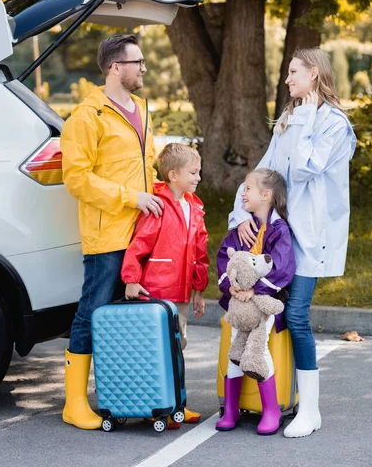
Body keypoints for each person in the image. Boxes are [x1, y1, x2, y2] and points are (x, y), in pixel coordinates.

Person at [229, 47, 356, 438]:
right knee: (268, 315)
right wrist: (241, 213)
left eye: (293, 72)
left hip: (311, 238)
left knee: (296, 316)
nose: (287, 80)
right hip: (278, 237)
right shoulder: (289, 118)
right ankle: (273, 400)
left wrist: (303, 117)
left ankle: (311, 411)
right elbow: (266, 172)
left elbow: (304, 168)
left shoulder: (335, 124)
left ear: (314, 74)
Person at [61, 34, 163, 430]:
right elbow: (77, 179)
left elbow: (147, 167)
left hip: (141, 233)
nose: (143, 69)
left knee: (131, 318)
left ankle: (133, 395)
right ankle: (74, 404)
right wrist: (130, 198)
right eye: (138, 62)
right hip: (107, 235)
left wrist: (159, 204)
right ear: (116, 67)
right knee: (92, 312)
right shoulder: (87, 117)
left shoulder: (140, 108)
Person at [121, 143, 209, 426]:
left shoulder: (194, 208)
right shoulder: (157, 205)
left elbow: (200, 252)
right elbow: (138, 246)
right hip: (157, 292)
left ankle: (175, 406)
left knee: (177, 347)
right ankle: (157, 406)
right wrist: (131, 279)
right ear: (173, 175)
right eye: (193, 172)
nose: (198, 178)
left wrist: (199, 289)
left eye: (199, 172)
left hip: (181, 293)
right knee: (156, 349)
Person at [215, 168, 296, 435]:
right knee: (234, 352)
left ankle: (271, 409)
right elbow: (225, 261)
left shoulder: (279, 230)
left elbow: (283, 269)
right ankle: (230, 409)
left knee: (259, 351)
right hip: (238, 305)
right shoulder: (242, 229)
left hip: (264, 306)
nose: (243, 193)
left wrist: (256, 290)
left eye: (247, 188)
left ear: (266, 195)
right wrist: (232, 288)